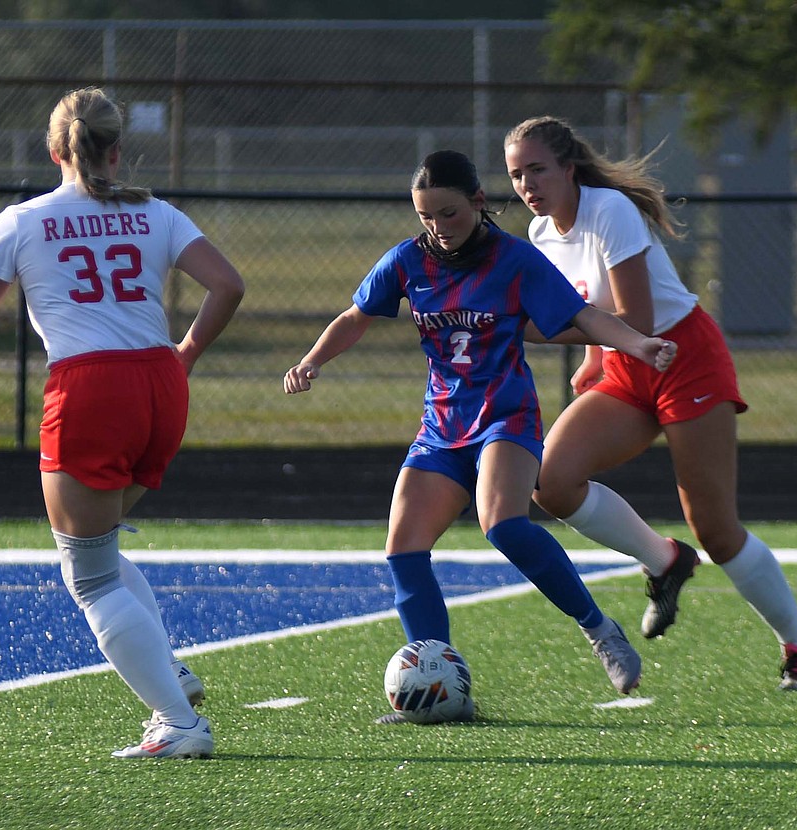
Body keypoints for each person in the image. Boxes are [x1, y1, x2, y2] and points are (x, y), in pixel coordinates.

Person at [284, 149, 677, 720]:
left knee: (503, 525)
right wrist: (312, 361)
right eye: (426, 218)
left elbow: (583, 315)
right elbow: (356, 316)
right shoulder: (406, 262)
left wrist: (636, 343)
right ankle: (441, 682)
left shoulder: (515, 260)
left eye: (449, 214)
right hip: (442, 426)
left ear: (478, 203)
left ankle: (599, 630)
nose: (439, 230)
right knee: (404, 549)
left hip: (505, 416)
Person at [0, 87, 245, 757]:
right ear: (116, 149)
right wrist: (184, 354)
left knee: (89, 576)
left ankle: (180, 722)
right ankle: (171, 679)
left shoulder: (22, 220)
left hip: (90, 387)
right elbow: (229, 285)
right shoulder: (154, 211)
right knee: (100, 552)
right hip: (159, 383)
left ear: (54, 150)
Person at [503, 115, 797, 690]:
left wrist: (539, 332)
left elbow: (638, 320)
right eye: (516, 175)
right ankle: (664, 561)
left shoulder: (608, 210)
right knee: (551, 482)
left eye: (538, 170)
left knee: (717, 530)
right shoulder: (542, 236)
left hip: (684, 358)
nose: (528, 186)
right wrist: (593, 361)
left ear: (568, 168)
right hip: (629, 367)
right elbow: (595, 311)